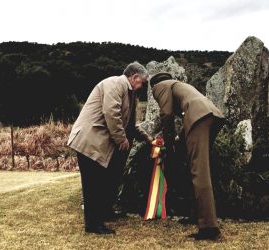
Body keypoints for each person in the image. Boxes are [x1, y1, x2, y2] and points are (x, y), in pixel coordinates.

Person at [67, 62, 153, 234]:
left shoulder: (130, 94)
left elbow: (130, 125)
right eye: (143, 82)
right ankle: (93, 225)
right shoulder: (114, 84)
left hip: (99, 142)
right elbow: (111, 113)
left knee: (107, 180)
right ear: (135, 77)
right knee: (93, 183)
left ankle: (105, 213)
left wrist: (149, 139)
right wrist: (122, 139)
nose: (144, 86)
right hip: (89, 140)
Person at [149, 72, 225, 240]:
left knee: (199, 170)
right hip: (211, 115)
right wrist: (179, 143)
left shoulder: (159, 87)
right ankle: (195, 214)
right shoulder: (178, 85)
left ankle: (209, 227)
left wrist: (168, 144)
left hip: (199, 118)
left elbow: (166, 114)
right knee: (194, 165)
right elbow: (188, 111)